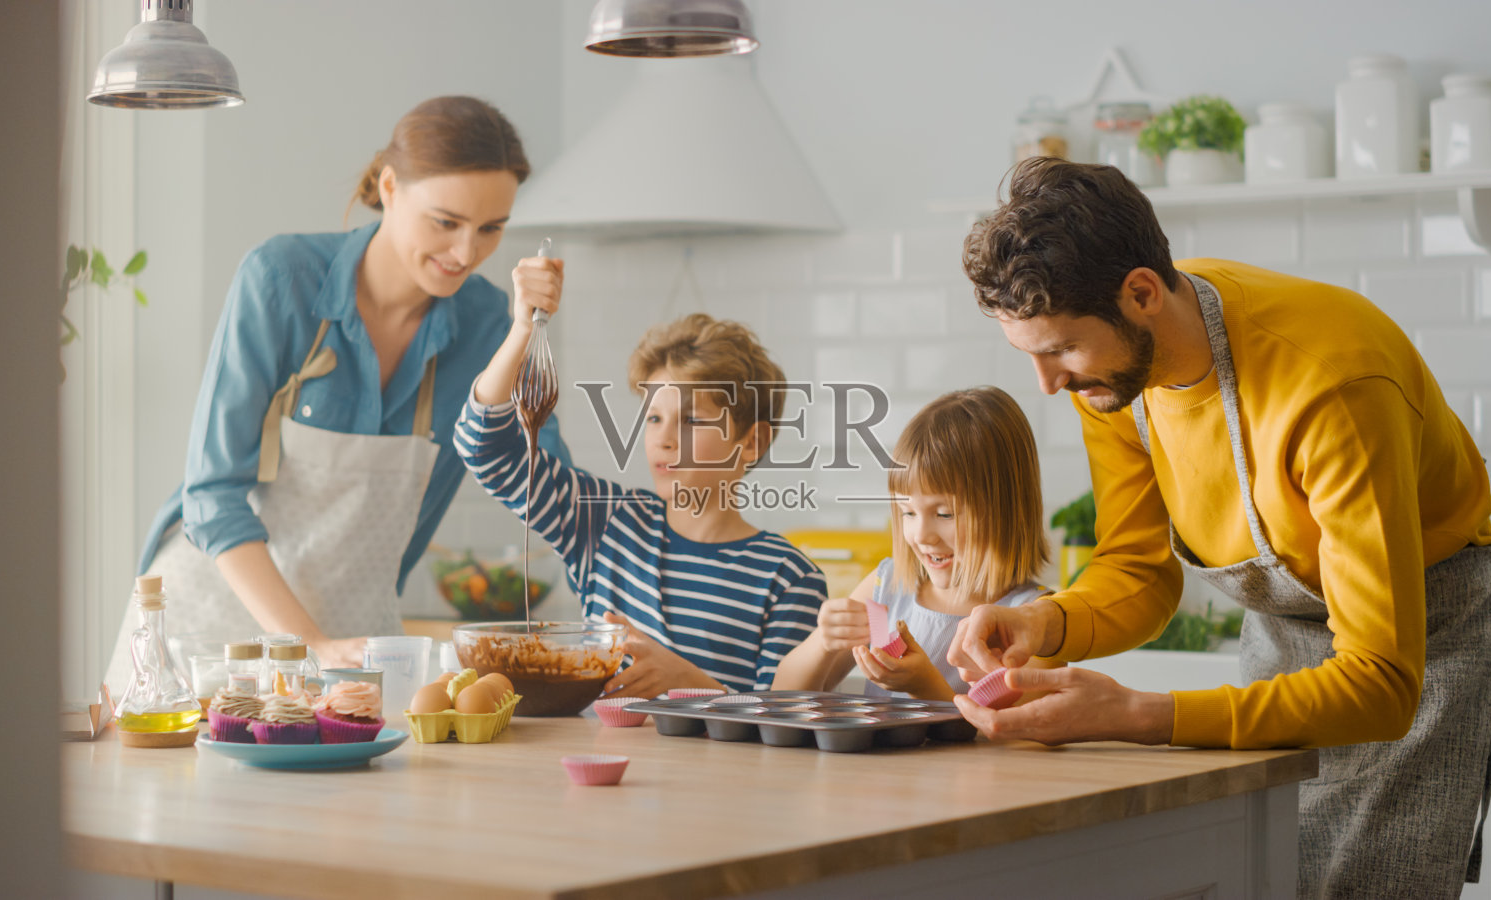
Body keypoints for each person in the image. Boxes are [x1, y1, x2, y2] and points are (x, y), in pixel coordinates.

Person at [951, 157, 1491, 898]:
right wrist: (1043, 624)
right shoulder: (1115, 378)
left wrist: (1136, 714)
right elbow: (1139, 574)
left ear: (1142, 293)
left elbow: (1380, 685)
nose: (1049, 384)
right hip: (1283, 636)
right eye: (1031, 354)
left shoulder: (1331, 385)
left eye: (1061, 349)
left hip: (1420, 645)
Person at [108, 96, 570, 683]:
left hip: (353, 643)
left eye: (491, 229)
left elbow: (550, 486)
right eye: (445, 222)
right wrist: (311, 645)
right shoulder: (281, 279)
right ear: (390, 186)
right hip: (207, 634)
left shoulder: (487, 325)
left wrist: (528, 332)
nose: (466, 253)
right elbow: (211, 495)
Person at [455, 312, 827, 695]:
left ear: (751, 443)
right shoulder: (605, 523)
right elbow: (484, 450)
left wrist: (691, 684)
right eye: (653, 418)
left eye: (691, 421)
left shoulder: (789, 579)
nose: (663, 439)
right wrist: (523, 327)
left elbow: (777, 722)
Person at [772, 387, 1056, 700]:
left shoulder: (1038, 621)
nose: (921, 536)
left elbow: (1018, 726)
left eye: (944, 514)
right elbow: (783, 696)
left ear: (1006, 510)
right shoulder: (888, 586)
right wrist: (824, 643)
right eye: (908, 512)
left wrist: (925, 687)